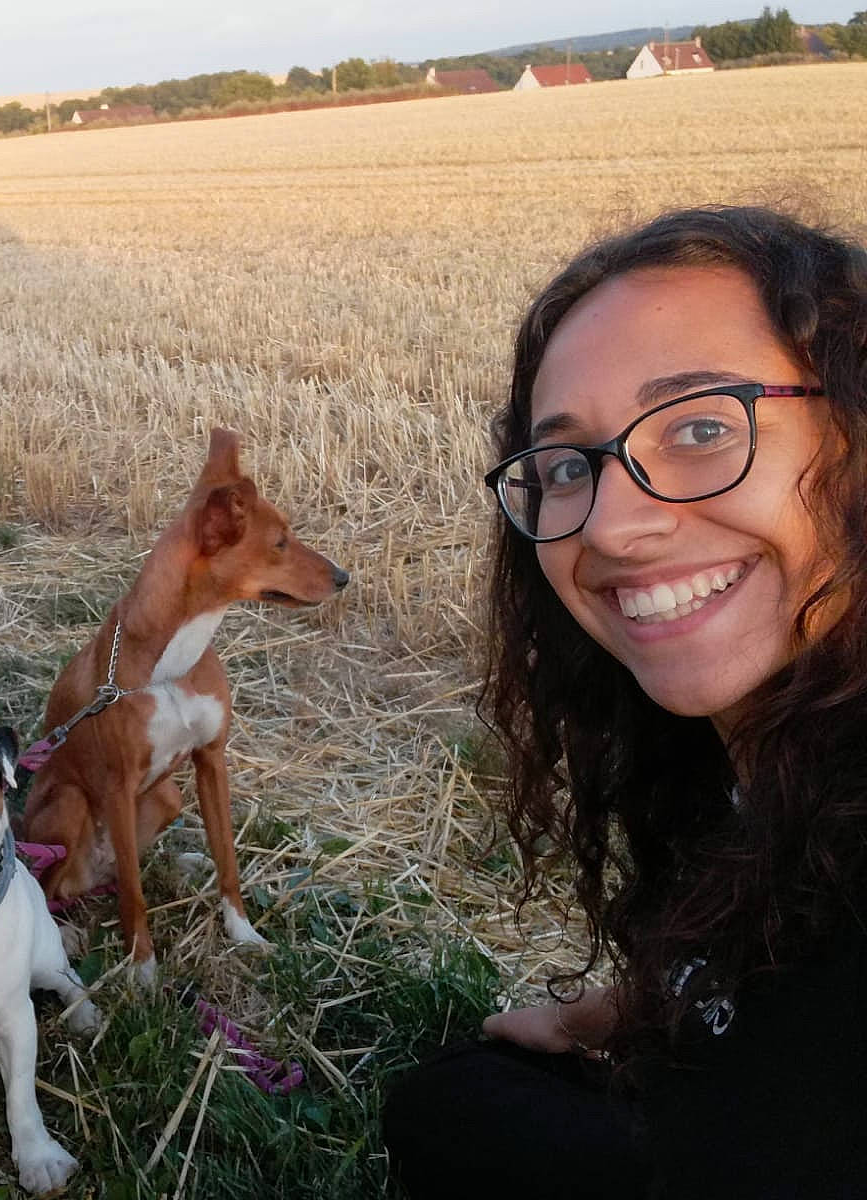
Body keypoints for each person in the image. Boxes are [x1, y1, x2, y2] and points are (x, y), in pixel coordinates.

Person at [383, 206, 867, 1197]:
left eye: (698, 427)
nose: (611, 528)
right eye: (567, 467)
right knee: (454, 1100)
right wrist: (627, 1010)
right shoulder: (731, 755)